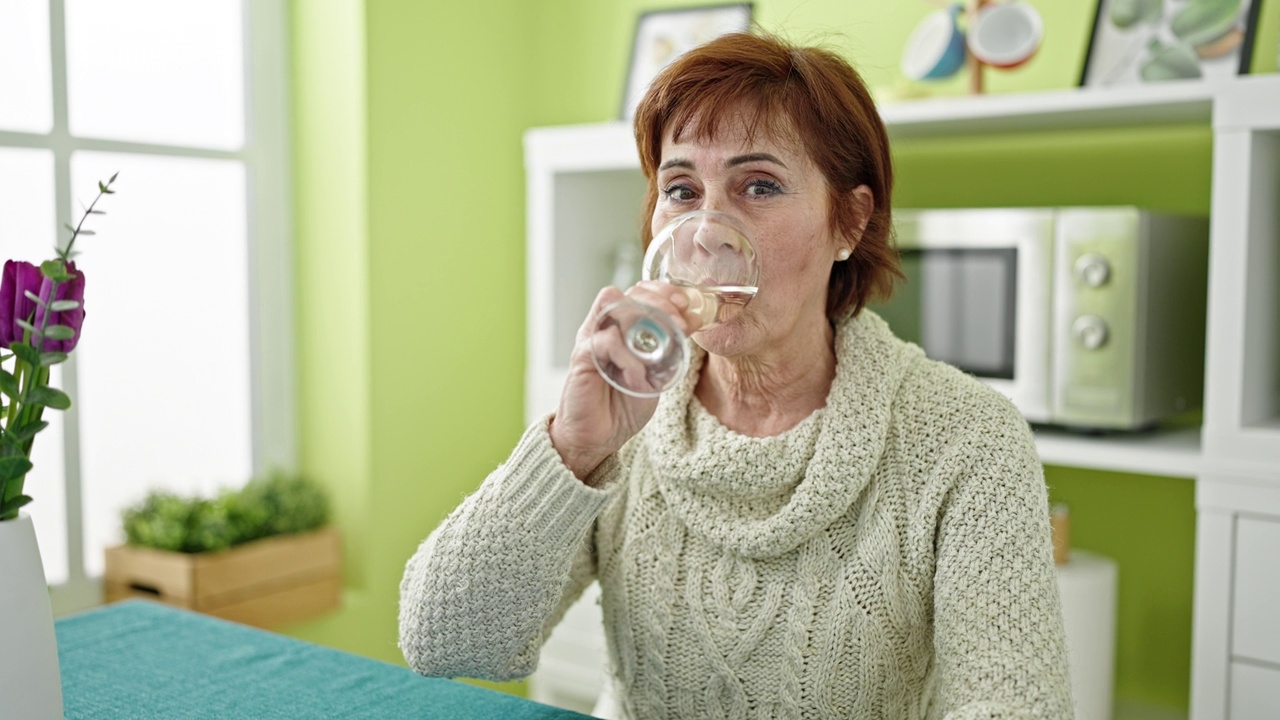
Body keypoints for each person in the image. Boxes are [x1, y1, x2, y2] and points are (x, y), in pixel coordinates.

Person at [399, 31, 1073, 719]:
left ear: (849, 220)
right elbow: (443, 643)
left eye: (759, 185)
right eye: (682, 190)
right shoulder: (625, 410)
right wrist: (570, 450)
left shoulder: (968, 440)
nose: (710, 232)